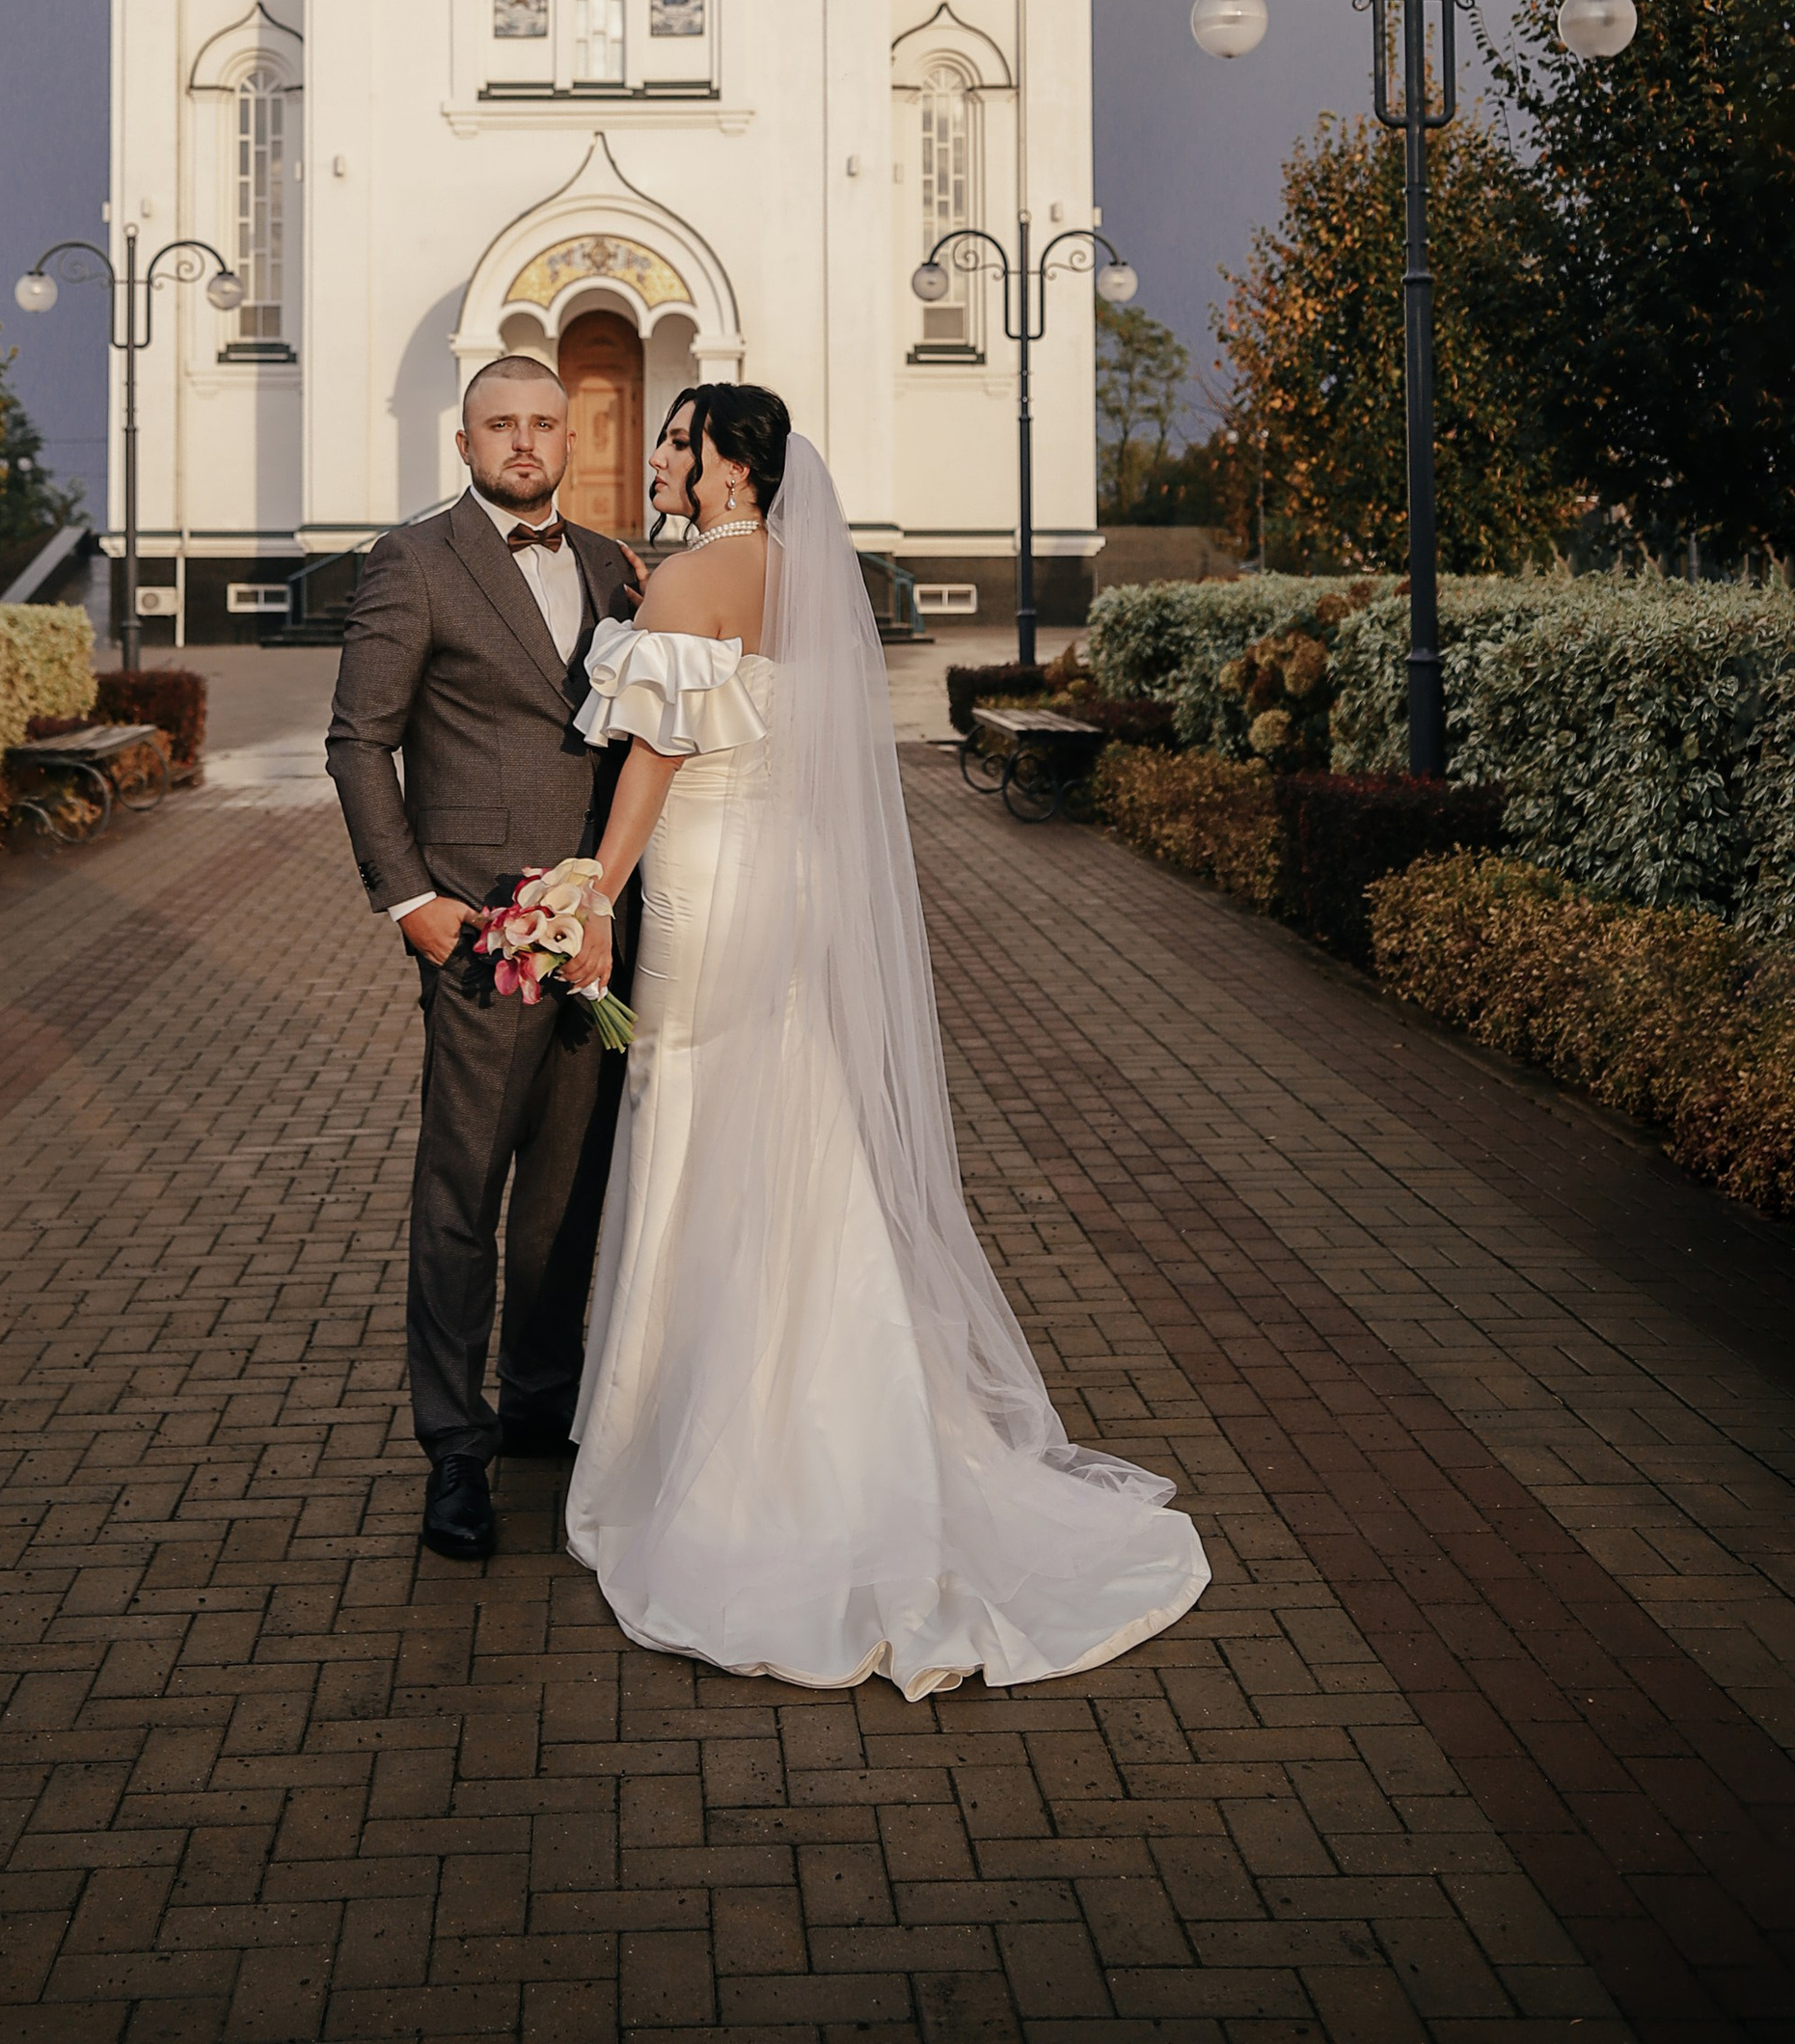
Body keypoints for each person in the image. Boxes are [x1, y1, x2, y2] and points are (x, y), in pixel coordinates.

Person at [558, 383, 1211, 1695]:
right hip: (790, 884)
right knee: (795, 1111)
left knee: (694, 1113)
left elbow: (656, 757)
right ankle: (862, 1417)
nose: (666, 456)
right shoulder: (811, 576)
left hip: (709, 882)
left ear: (735, 466)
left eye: (685, 441)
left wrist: (592, 889)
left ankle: (715, 1443)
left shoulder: (696, 579)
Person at [325, 354, 643, 1565]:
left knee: (567, 1192)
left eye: (543, 424)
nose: (524, 443)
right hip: (475, 931)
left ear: (569, 439)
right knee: (462, 1194)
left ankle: (539, 1414)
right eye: (499, 426)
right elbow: (360, 743)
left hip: (601, 932)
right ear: (463, 444)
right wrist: (407, 895)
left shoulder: (617, 567)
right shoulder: (412, 562)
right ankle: (453, 1449)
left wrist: (613, 894)